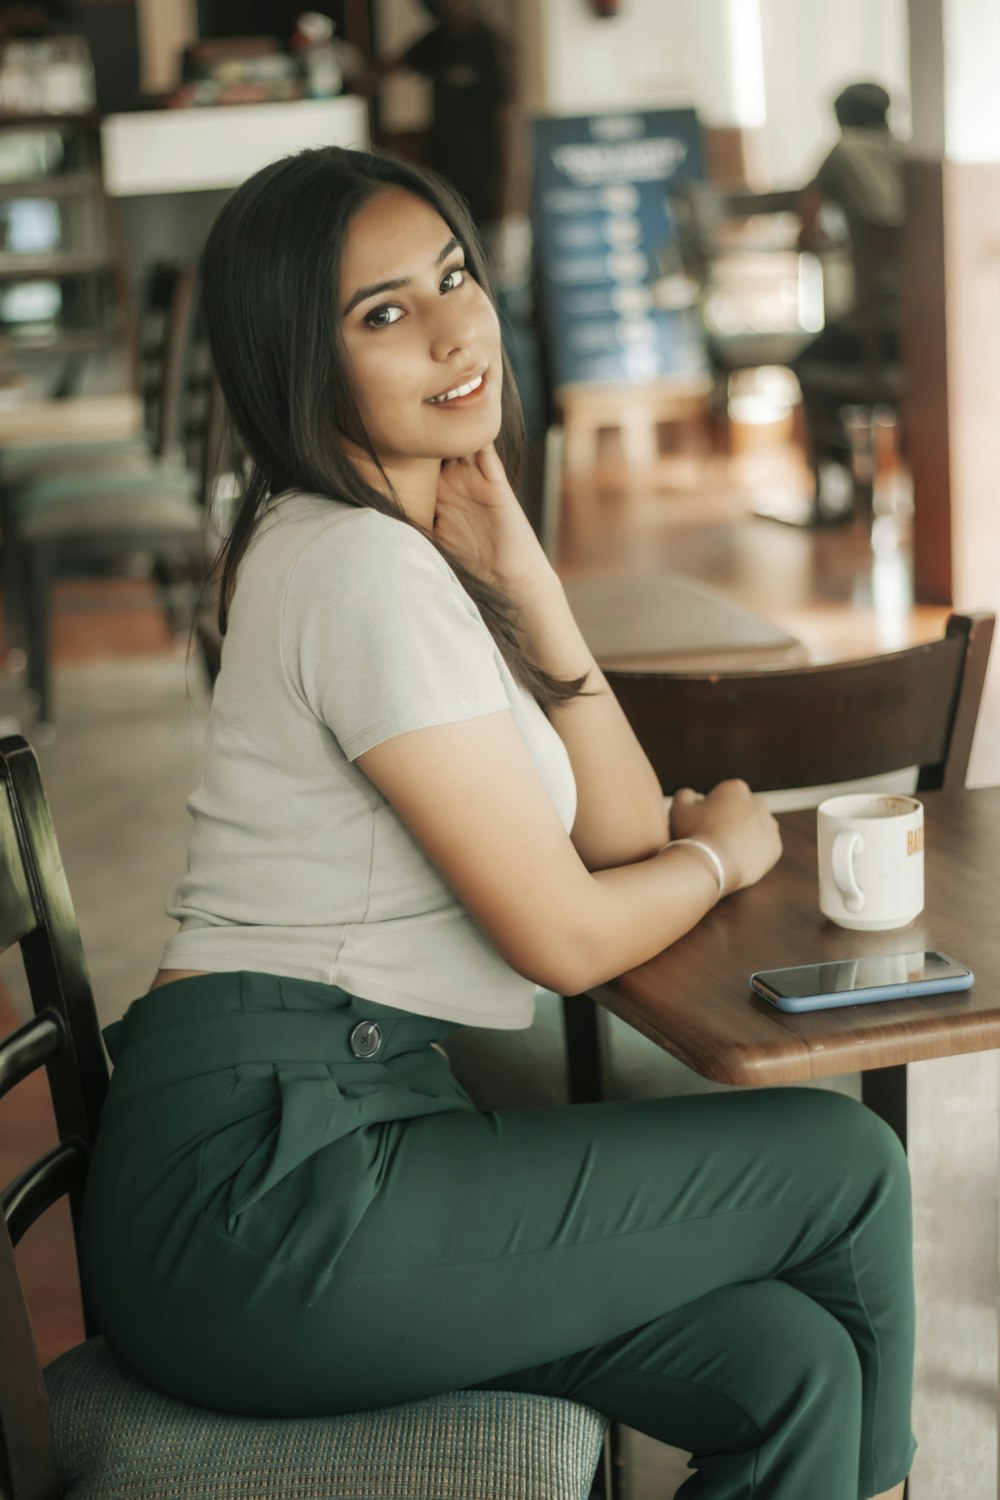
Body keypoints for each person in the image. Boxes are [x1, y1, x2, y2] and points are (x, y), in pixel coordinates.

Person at [79, 145, 915, 1500]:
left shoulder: (391, 550)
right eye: (383, 312)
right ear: (302, 357)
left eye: (452, 276)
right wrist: (731, 857)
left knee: (787, 1365)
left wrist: (527, 583)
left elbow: (618, 830)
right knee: (846, 1164)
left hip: (346, 1139)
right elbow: (567, 938)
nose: (454, 325)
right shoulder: (353, 568)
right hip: (268, 1195)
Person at [793, 81, 905, 519]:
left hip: (877, 328)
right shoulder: (911, 152)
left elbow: (807, 224)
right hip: (928, 334)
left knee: (806, 362)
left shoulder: (842, 152)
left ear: (840, 118)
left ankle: (839, 476)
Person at [372, 0, 513, 266]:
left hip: (488, 193)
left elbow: (511, 129)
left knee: (498, 287)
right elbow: (382, 71)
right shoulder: (439, 40)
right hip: (447, 187)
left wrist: (509, 209)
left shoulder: (490, 46)